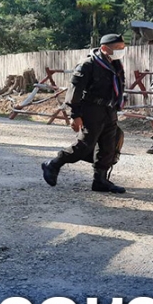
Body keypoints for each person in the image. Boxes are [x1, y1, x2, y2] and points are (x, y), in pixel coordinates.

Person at [42, 34, 128, 194]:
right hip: (91, 109)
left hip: (110, 110)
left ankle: (100, 180)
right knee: (85, 145)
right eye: (118, 48)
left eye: (123, 47)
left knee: (108, 146)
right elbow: (75, 91)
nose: (121, 51)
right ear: (104, 48)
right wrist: (75, 115)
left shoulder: (116, 64)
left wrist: (120, 102)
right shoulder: (88, 65)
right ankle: (54, 164)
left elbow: (118, 86)